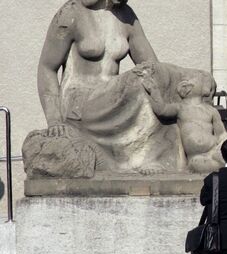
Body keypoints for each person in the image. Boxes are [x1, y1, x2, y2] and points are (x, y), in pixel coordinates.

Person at [37, 0, 183, 174]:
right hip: (79, 102)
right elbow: (47, 68)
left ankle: (153, 158)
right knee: (136, 82)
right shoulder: (71, 13)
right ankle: (139, 161)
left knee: (151, 85)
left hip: (111, 97)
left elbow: (152, 67)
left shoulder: (126, 16)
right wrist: (54, 120)